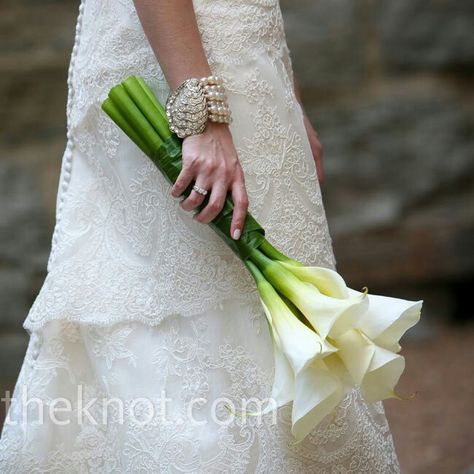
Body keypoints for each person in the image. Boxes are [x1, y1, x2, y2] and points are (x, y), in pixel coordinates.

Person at [0, 0, 402, 471]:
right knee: (188, 310)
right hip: (186, 63)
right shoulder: (201, 102)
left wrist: (287, 94)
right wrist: (202, 112)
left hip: (239, 60)